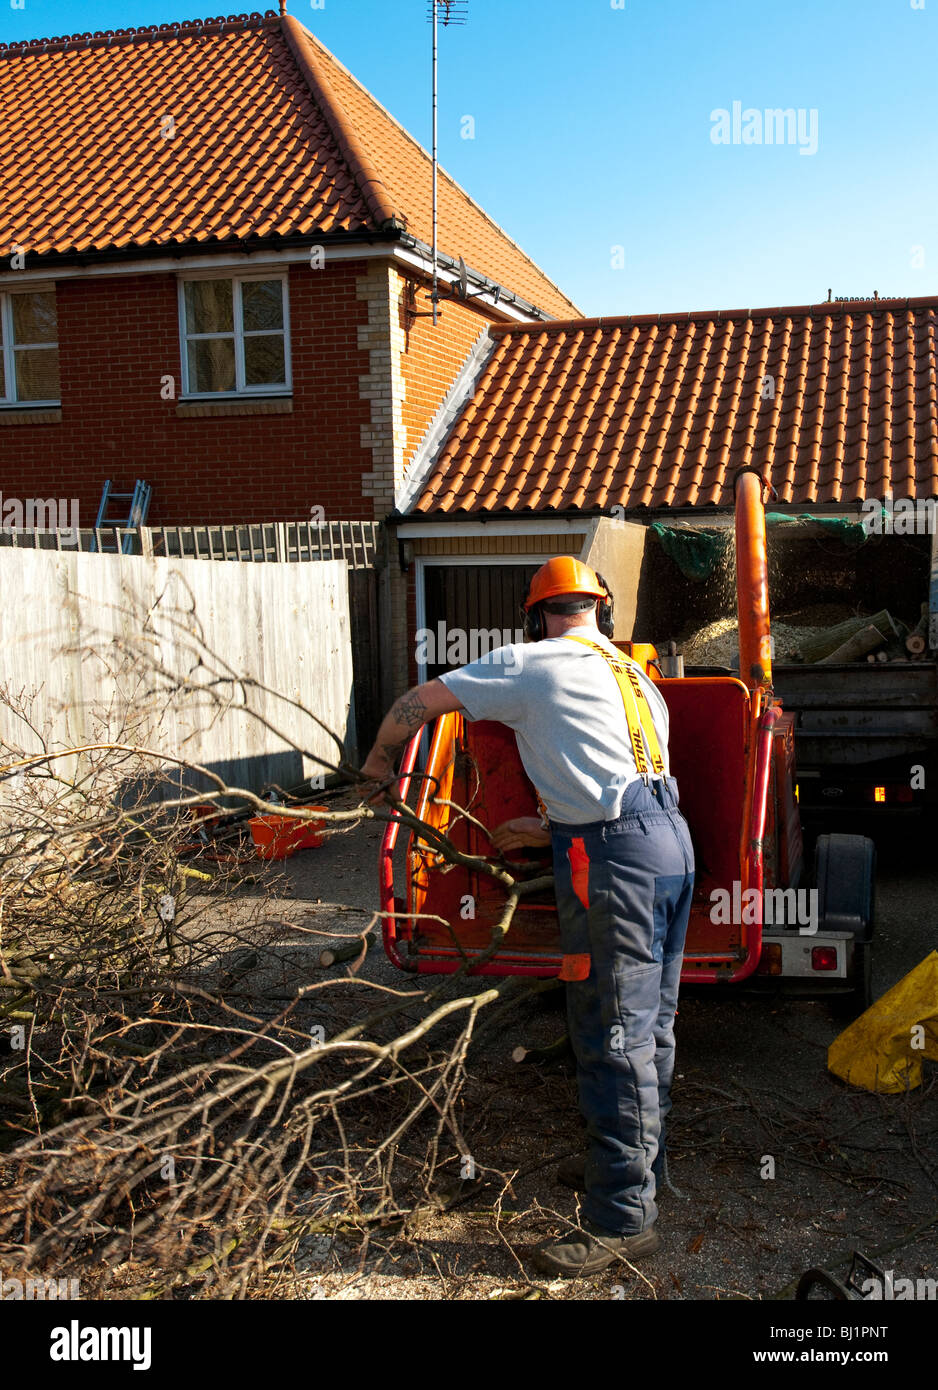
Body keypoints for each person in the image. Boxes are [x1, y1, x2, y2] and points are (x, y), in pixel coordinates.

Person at [359, 557, 695, 1277]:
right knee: (651, 1028)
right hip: (670, 845)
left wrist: (380, 762)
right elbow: (626, 777)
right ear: (600, 611)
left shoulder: (531, 662)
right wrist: (555, 829)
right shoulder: (637, 679)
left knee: (611, 1037)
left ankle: (621, 1222)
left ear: (537, 615)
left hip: (618, 864)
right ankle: (642, 1174)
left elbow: (420, 701)